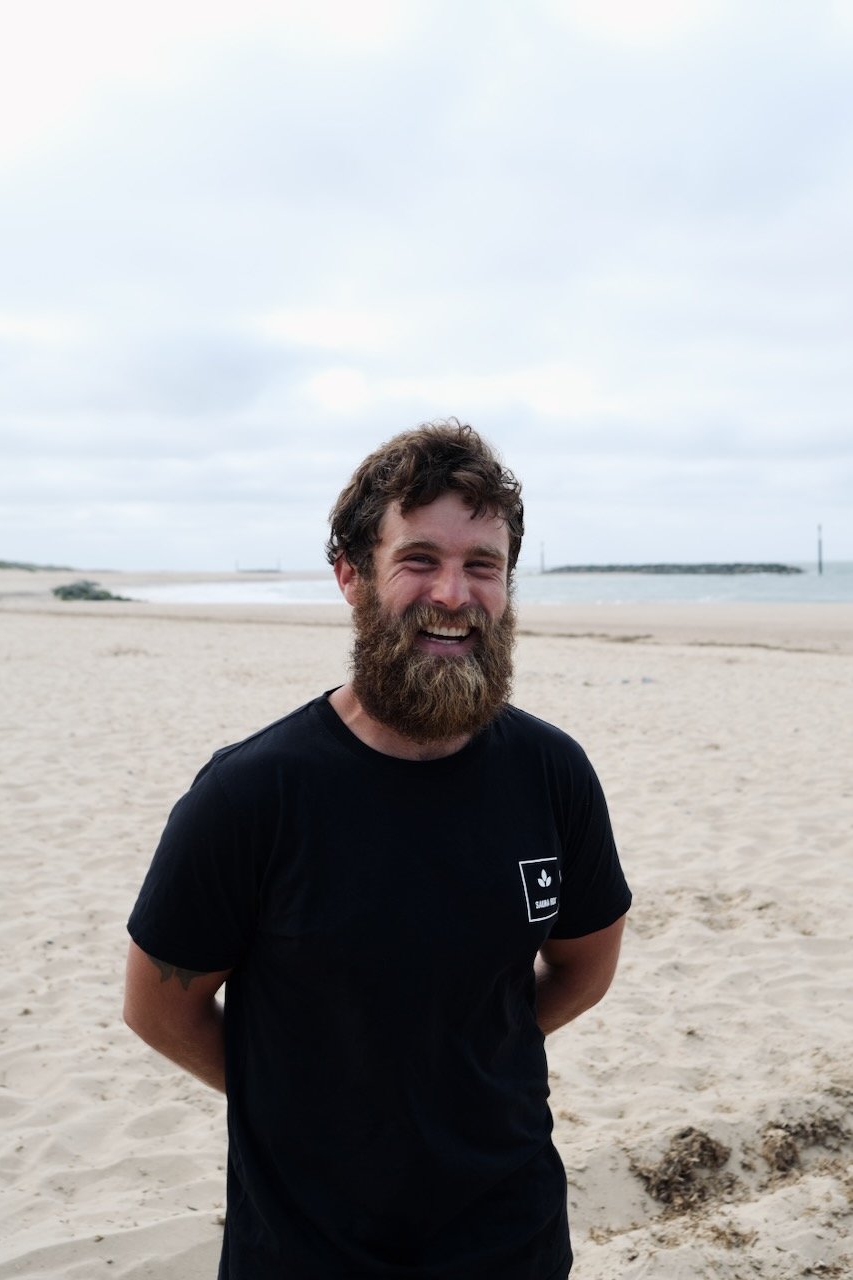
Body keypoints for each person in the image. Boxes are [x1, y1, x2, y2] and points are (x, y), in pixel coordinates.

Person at [124, 420, 631, 1280]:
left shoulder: (553, 774)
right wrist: (299, 1101)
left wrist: (458, 1061)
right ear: (352, 576)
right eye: (419, 560)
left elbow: (585, 967)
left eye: (483, 566)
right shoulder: (251, 793)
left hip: (511, 1237)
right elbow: (159, 1008)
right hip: (307, 1246)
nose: (453, 594)